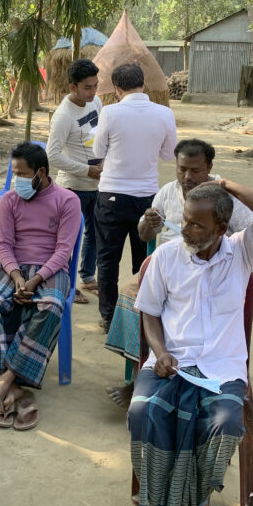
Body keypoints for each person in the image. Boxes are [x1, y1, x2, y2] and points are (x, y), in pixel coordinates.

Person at [129, 180, 253, 506]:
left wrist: (224, 184)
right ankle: (159, 487)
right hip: (172, 362)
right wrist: (160, 351)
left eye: (197, 224)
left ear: (222, 228)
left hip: (222, 367)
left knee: (224, 422)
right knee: (143, 410)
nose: (185, 229)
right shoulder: (165, 257)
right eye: (184, 220)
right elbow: (149, 311)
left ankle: (197, 494)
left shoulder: (242, 252)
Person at [104, 139, 253, 407]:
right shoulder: (166, 193)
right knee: (130, 297)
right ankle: (141, 372)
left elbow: (252, 233)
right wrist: (148, 225)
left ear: (209, 167)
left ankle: (190, 373)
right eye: (181, 169)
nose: (187, 177)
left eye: (195, 170)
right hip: (166, 269)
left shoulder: (224, 197)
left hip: (213, 271)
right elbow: (144, 235)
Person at [0, 142, 81, 430]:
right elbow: (4, 244)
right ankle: (12, 386)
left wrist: (36, 280)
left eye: (23, 174)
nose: (17, 181)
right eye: (14, 173)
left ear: (41, 173)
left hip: (50, 269)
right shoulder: (11, 200)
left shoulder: (67, 200)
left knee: (50, 305)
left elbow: (64, 251)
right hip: (14, 268)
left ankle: (7, 378)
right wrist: (16, 277)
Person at [93, 63, 177, 329]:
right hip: (147, 198)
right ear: (143, 83)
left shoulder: (109, 112)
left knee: (107, 258)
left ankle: (108, 317)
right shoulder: (164, 113)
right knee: (144, 258)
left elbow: (98, 150)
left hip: (112, 195)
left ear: (117, 88)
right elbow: (168, 153)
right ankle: (141, 313)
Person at [47, 58, 102, 304]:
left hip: (98, 183)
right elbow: (52, 155)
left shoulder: (96, 102)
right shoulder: (63, 116)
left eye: (95, 85)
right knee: (68, 239)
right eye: (87, 87)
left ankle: (87, 277)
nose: (93, 92)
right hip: (73, 187)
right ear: (73, 87)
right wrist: (85, 170)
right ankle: (66, 284)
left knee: (95, 233)